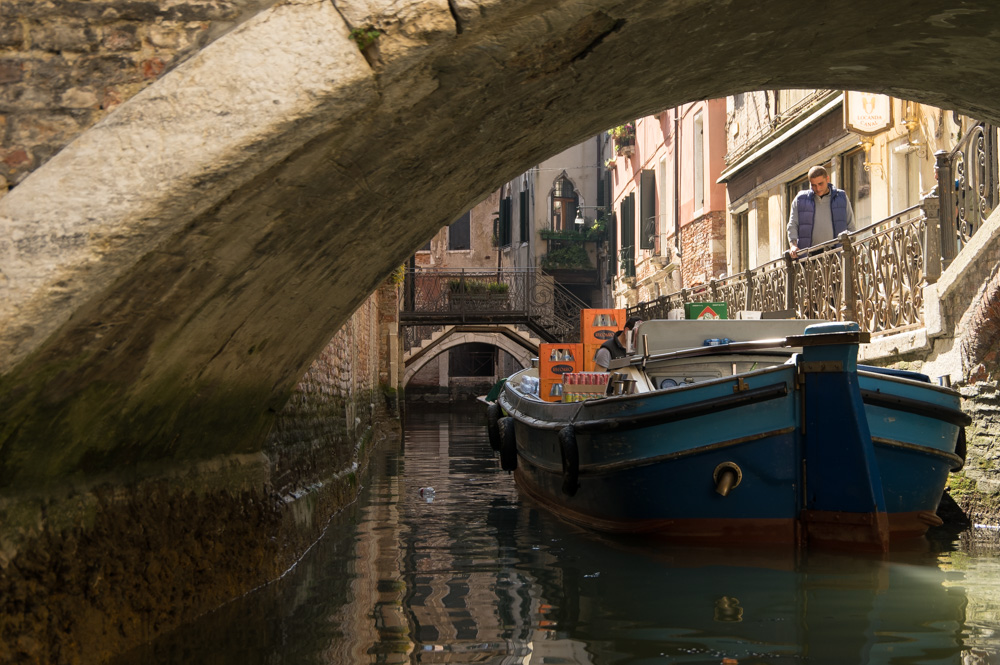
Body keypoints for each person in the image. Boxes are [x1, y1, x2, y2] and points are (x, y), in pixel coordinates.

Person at [787, 165, 856, 259]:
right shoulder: (800, 199)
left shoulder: (841, 197)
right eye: (814, 185)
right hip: (809, 257)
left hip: (837, 254)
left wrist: (851, 251)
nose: (818, 188)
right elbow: (792, 224)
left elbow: (850, 225)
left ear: (827, 179)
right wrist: (793, 246)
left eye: (820, 184)